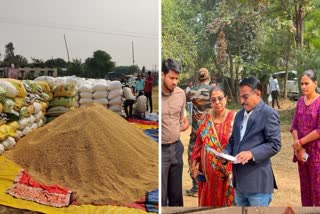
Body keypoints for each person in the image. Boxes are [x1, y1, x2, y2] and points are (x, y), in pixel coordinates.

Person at [222, 77, 281, 206]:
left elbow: (275, 144)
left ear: (258, 94)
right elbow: (233, 140)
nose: (242, 101)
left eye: (245, 97)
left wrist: (251, 153)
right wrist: (225, 153)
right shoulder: (239, 115)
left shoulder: (268, 114)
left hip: (257, 184)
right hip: (239, 183)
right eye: (240, 97)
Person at [190, 85, 236, 206]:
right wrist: (194, 168)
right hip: (207, 177)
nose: (217, 102)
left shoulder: (235, 119)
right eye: (213, 100)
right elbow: (198, 145)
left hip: (226, 174)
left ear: (226, 98)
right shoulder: (205, 118)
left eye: (220, 98)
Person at [162, 58, 189, 206]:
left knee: (176, 196)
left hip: (176, 149)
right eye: (171, 78)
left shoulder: (180, 94)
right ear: (162, 75)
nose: (175, 82)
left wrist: (184, 123)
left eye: (177, 78)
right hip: (161, 150)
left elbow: (182, 119)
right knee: (162, 196)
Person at [290, 69, 320, 206]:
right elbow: (294, 124)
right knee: (305, 189)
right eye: (301, 84)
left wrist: (300, 142)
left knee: (317, 189)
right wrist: (298, 147)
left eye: (306, 83)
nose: (303, 87)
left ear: (315, 83)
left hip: (316, 153)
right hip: (302, 152)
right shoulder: (301, 101)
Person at [185, 68, 212, 196]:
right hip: (211, 132)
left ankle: (196, 187)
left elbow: (185, 99)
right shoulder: (213, 91)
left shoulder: (193, 91)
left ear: (198, 78)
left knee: (193, 156)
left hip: (196, 132)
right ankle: (211, 186)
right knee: (211, 157)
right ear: (208, 77)